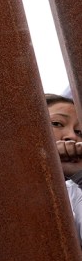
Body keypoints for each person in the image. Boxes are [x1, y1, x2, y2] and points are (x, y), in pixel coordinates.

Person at [45, 94, 82, 243]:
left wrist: (79, 175)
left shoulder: (74, 191)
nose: (71, 136)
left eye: (80, 132)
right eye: (57, 123)